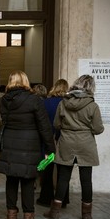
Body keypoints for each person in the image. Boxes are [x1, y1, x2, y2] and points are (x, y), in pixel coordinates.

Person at [0, 71, 55, 219]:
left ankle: (11, 217)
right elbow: (44, 126)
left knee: (11, 180)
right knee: (28, 181)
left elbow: (6, 122)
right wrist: (50, 148)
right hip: (29, 145)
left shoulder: (3, 101)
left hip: (10, 143)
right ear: (25, 81)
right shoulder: (34, 100)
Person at [44, 75, 104, 219]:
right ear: (91, 87)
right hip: (86, 144)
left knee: (63, 177)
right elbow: (98, 129)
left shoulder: (64, 103)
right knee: (86, 179)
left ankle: (55, 212)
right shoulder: (93, 106)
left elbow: (56, 124)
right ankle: (86, 215)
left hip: (66, 142)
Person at [36, 79, 70, 208]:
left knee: (47, 170)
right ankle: (63, 199)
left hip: (48, 140)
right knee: (63, 171)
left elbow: (41, 121)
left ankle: (45, 198)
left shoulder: (46, 103)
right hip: (63, 140)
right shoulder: (68, 103)